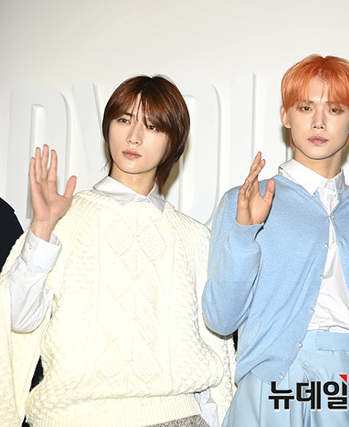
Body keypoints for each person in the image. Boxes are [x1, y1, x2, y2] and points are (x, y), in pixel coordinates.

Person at [0, 75, 235, 427]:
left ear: (172, 142)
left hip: (178, 417)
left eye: (152, 126)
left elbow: (214, 350)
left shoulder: (194, 237)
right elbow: (18, 320)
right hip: (75, 419)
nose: (134, 136)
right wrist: (42, 228)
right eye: (124, 119)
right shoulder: (64, 220)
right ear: (108, 127)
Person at [203, 54, 349, 426]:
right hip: (272, 381)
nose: (318, 122)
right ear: (286, 115)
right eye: (305, 107)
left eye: (335, 109)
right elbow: (221, 317)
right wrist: (245, 234)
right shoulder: (243, 201)